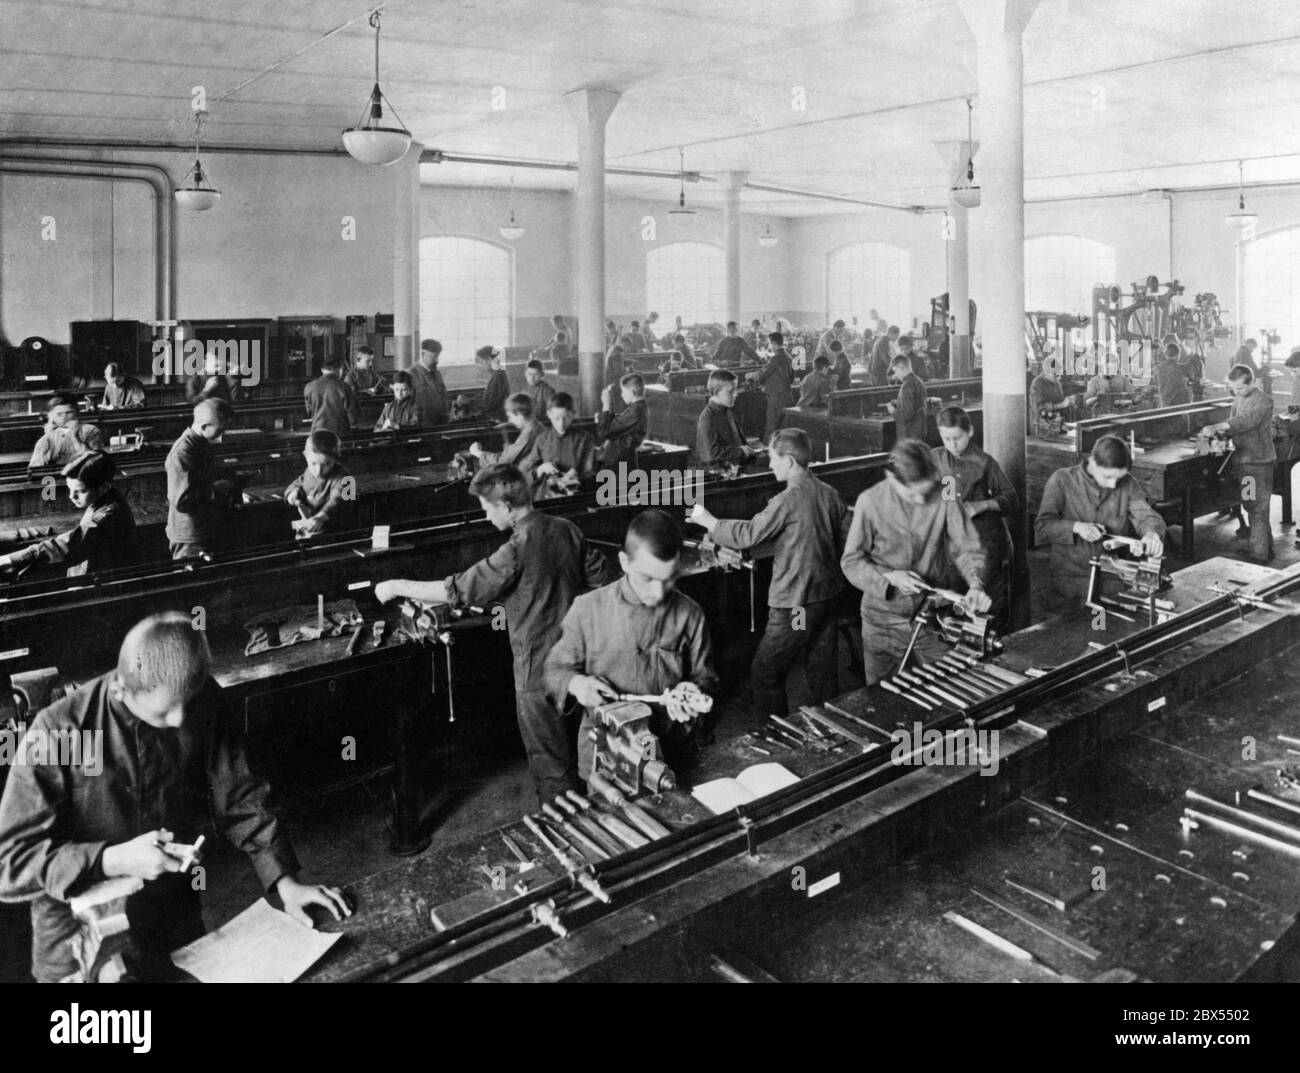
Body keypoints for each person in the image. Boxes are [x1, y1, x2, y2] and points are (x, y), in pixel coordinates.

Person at [0, 613, 350, 982]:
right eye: (163, 713)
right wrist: (111, 859)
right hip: (79, 932)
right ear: (121, 689)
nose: (181, 720)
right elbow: (9, 863)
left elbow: (242, 793)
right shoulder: (60, 731)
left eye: (188, 704)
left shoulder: (201, 699)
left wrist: (285, 881)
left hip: (169, 913)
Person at [375, 465, 607, 803]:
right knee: (585, 749)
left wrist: (397, 586)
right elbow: (600, 578)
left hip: (538, 671)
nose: (486, 516)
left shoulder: (514, 550)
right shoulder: (566, 528)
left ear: (508, 506)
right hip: (581, 660)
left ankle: (566, 834)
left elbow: (459, 589)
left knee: (551, 764)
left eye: (488, 508)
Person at [545, 509, 718, 783]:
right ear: (624, 562)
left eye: (670, 578)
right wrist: (576, 683)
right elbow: (554, 670)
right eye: (648, 578)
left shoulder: (690, 613)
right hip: (606, 753)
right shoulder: (588, 609)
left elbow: (706, 678)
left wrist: (694, 690)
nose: (659, 593)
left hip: (671, 751)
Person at [691, 429, 849, 719]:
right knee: (822, 668)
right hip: (826, 598)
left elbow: (750, 533)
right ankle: (833, 729)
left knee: (766, 672)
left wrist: (709, 522)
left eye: (774, 459)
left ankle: (774, 737)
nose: (771, 465)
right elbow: (809, 537)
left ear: (789, 461)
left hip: (797, 606)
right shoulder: (828, 493)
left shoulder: (787, 499)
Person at [841, 440, 989, 685]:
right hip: (881, 624)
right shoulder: (870, 501)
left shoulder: (945, 494)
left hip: (931, 620)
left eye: (925, 491)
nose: (921, 501)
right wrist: (889, 578)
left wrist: (976, 583)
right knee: (882, 700)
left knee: (953, 688)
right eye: (912, 495)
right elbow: (851, 562)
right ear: (892, 478)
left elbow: (967, 547)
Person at [1034, 434, 1166, 601]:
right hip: (1070, 580)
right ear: (1092, 462)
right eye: (1108, 477)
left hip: (1113, 579)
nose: (1113, 485)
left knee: (1109, 623)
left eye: (1118, 478)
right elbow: (1042, 527)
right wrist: (1077, 527)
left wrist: (1151, 534)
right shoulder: (1062, 480)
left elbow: (1147, 517)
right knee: (1086, 624)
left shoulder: (1128, 483)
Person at [932, 408, 1018, 630]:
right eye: (947, 438)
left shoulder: (985, 461)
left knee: (989, 613)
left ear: (969, 431)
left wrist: (983, 504)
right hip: (952, 549)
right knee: (955, 610)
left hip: (987, 545)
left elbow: (1011, 499)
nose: (953, 444)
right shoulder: (934, 459)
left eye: (958, 438)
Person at [0, 452, 136, 577]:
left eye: (80, 491)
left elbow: (68, 544)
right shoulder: (108, 496)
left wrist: (9, 559)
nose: (71, 496)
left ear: (103, 487)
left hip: (97, 585)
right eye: (70, 489)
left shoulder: (108, 516)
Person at [1201, 364, 1276, 565]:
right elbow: (1233, 421)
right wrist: (1221, 434)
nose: (1237, 392)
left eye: (1240, 388)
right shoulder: (1239, 397)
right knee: (1252, 504)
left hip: (1257, 463)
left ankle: (1259, 555)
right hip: (1243, 461)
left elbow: (1246, 421)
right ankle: (1263, 546)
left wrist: (1219, 426)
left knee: (1257, 507)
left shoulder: (1264, 400)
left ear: (1252, 382)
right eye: (1234, 388)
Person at [164, 398, 239, 560]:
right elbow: (182, 501)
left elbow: (203, 475)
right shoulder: (182, 452)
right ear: (205, 426)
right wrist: (216, 488)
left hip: (203, 527)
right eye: (220, 431)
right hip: (190, 536)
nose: (222, 435)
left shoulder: (201, 443)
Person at [521, 392, 597, 497]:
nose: (561, 424)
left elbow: (591, 473)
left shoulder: (585, 439)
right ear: (549, 414)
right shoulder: (542, 439)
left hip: (576, 495)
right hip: (546, 496)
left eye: (566, 418)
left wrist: (576, 477)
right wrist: (541, 469)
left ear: (573, 414)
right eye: (557, 418)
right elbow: (526, 472)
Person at [284, 430, 353, 538]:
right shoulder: (309, 472)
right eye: (313, 464)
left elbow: (342, 500)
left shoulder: (347, 477)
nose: (319, 471)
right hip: (310, 531)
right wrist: (292, 493)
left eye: (327, 464)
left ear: (336, 458)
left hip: (335, 533)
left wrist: (322, 517)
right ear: (306, 456)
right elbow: (298, 483)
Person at [696, 369, 760, 468]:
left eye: (736, 390)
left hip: (735, 468)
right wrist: (740, 451)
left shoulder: (728, 412)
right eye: (731, 391)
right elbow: (709, 454)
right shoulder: (707, 417)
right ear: (717, 392)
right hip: (719, 474)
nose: (736, 394)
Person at [470, 392, 546, 468]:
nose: (510, 421)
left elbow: (503, 461)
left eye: (510, 417)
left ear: (520, 415)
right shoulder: (537, 426)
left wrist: (478, 453)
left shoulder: (529, 434)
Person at [29, 394, 104, 469]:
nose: (64, 417)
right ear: (52, 416)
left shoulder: (90, 430)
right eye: (59, 414)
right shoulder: (48, 436)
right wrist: (48, 438)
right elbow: (35, 467)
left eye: (68, 412)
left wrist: (74, 437)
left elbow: (96, 462)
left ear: (76, 413)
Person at [596, 373, 648, 472]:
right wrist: (605, 414)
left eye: (624, 391)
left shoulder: (635, 411)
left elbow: (604, 431)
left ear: (632, 393)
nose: (621, 395)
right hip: (621, 461)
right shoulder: (638, 407)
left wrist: (606, 405)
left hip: (620, 464)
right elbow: (618, 423)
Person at [304, 355, 360, 438]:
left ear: (322, 369)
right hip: (340, 434)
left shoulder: (309, 387)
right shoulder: (344, 387)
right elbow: (353, 416)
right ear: (340, 369)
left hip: (317, 433)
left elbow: (309, 412)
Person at [752, 331, 795, 437]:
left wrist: (752, 376)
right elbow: (792, 378)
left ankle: (768, 450)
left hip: (776, 398)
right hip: (788, 396)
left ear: (774, 343)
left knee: (771, 427)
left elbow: (763, 375)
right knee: (785, 428)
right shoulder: (789, 357)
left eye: (770, 343)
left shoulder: (776, 358)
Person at [886, 354, 927, 443]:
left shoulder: (906, 386)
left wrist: (893, 411)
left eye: (895, 371)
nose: (896, 375)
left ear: (901, 367)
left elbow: (907, 414)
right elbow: (915, 403)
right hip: (919, 429)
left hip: (909, 433)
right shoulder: (918, 380)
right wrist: (899, 402)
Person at [409, 339, 448, 425]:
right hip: (423, 424)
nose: (437, 360)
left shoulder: (437, 373)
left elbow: (443, 396)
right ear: (423, 353)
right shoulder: (411, 374)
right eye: (434, 357)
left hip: (441, 421)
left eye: (438, 356)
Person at [468, 346, 511, 422]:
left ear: (489, 360)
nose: (479, 365)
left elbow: (491, 403)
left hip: (496, 419)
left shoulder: (498, 376)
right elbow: (490, 396)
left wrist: (469, 402)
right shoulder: (497, 374)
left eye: (481, 361)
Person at [1154, 343, 1192, 408]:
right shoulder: (1180, 368)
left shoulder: (1159, 368)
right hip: (1178, 405)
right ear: (1178, 354)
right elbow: (1191, 365)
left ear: (1166, 354)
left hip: (1164, 403)